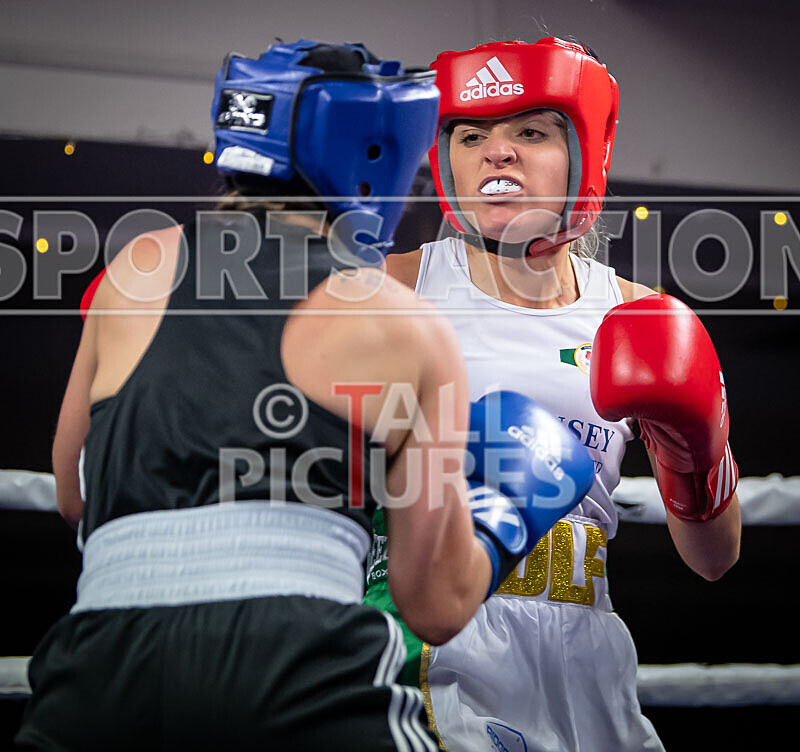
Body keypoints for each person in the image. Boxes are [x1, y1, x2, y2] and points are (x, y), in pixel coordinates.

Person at [15, 39, 596, 751]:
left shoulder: (139, 264)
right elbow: (435, 605)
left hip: (98, 667)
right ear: (376, 153)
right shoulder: (401, 321)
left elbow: (73, 492)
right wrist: (502, 513)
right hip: (297, 666)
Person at [364, 37, 742, 751]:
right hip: (432, 643)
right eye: (471, 134)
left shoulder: (641, 317)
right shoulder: (392, 287)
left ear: (585, 151)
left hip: (588, 652)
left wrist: (695, 444)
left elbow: (714, 557)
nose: (496, 153)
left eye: (530, 131)